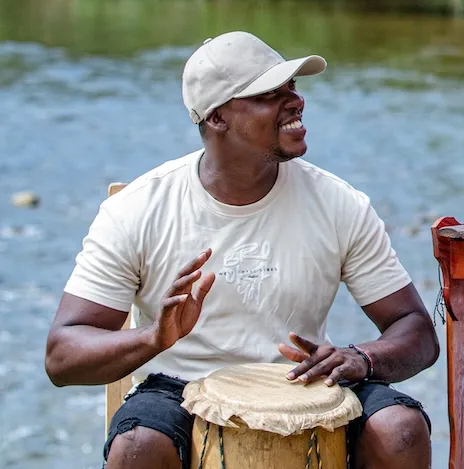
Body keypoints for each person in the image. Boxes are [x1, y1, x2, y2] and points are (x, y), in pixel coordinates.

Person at [45, 31, 438, 469]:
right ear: (217, 118)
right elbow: (62, 356)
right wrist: (154, 337)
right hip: (176, 387)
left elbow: (416, 330)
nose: (296, 100)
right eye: (270, 94)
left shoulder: (339, 203)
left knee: (400, 428)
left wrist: (361, 358)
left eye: (292, 87)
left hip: (302, 382)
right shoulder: (136, 209)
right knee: (137, 446)